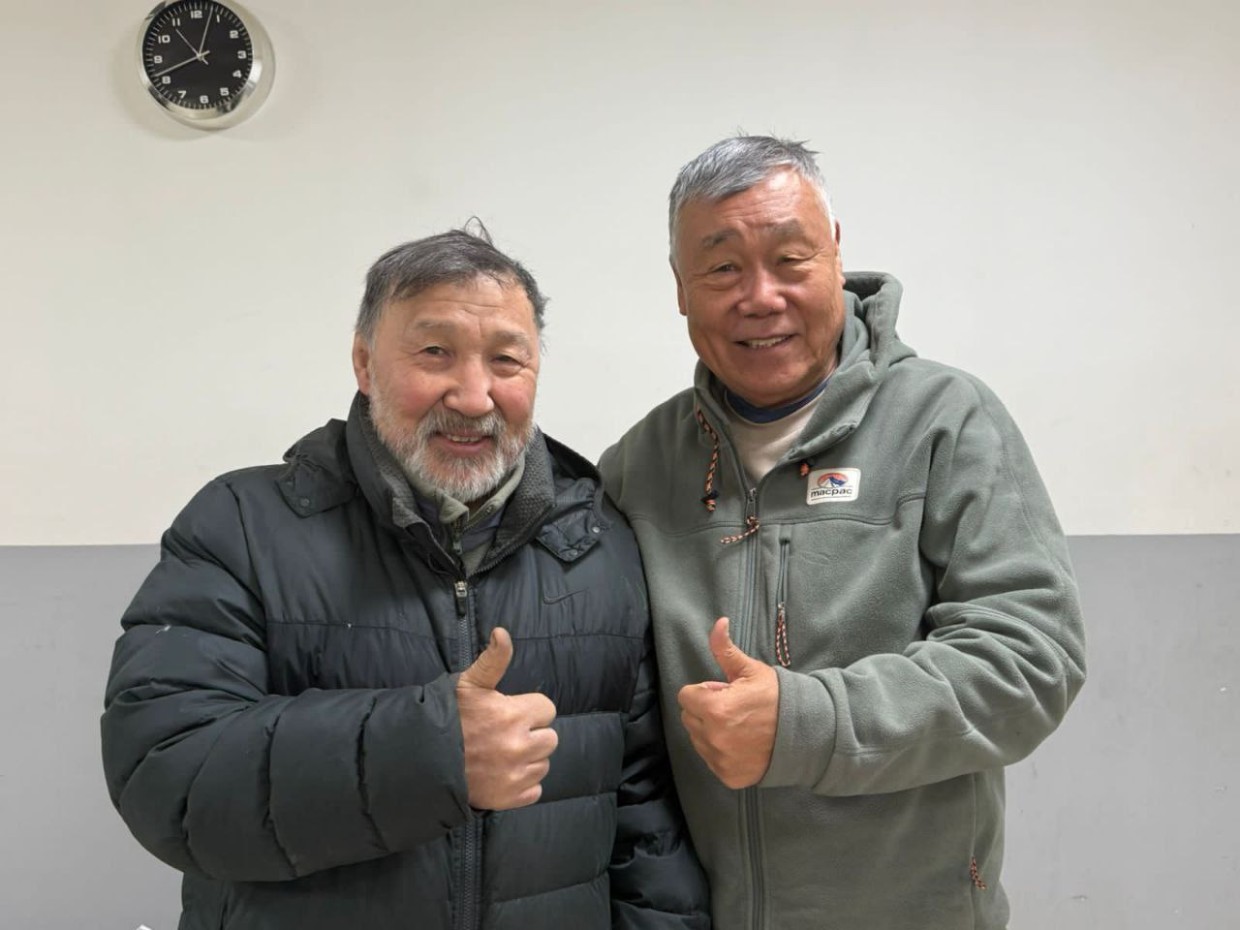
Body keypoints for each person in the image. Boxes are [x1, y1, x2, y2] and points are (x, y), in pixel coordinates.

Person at [101, 226, 710, 930]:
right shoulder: (241, 526)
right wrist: (429, 753)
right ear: (364, 364)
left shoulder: (597, 545)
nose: (474, 396)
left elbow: (643, 821)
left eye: (506, 359)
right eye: (434, 353)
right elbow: (167, 775)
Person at [599, 136, 1087, 930]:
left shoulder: (944, 421)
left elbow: (1030, 661)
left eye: (789, 258)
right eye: (722, 268)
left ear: (834, 252)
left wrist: (808, 725)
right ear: (680, 288)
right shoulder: (639, 467)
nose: (760, 296)